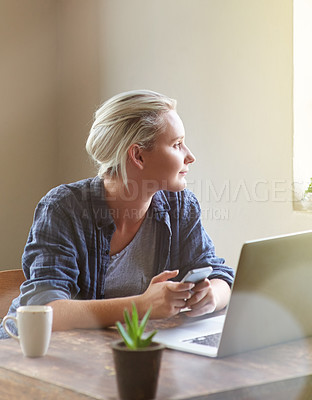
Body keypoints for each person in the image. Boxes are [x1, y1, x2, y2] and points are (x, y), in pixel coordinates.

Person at [0, 90, 234, 338]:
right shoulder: (63, 208)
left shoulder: (180, 206)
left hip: (115, 352)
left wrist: (211, 297)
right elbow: (44, 310)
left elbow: (220, 276)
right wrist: (142, 306)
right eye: (177, 144)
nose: (190, 156)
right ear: (138, 156)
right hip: (24, 356)